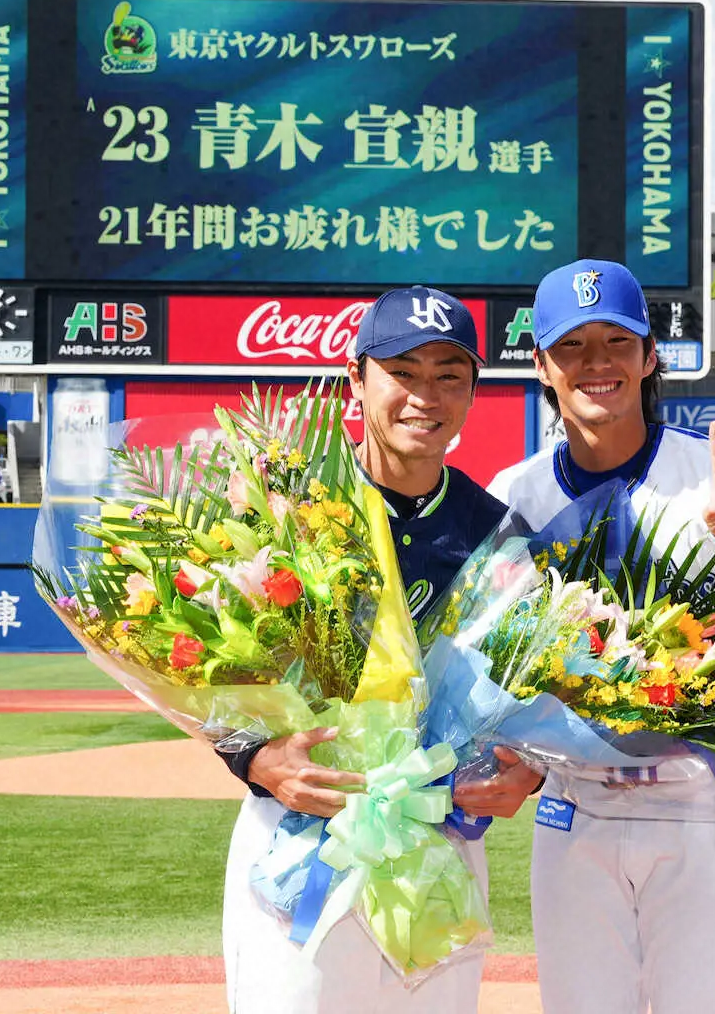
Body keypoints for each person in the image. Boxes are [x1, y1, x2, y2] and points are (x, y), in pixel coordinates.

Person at [488, 259, 715, 1014]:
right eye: (572, 346)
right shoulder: (512, 498)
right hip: (572, 813)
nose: (596, 363)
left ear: (650, 357)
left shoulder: (714, 478)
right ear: (542, 366)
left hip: (703, 813)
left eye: (615, 341)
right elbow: (491, 674)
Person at [216, 284, 521, 1014]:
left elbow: (526, 689)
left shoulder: (494, 531)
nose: (426, 394)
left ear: (473, 391)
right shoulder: (287, 504)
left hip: (435, 834)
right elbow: (210, 662)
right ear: (356, 380)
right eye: (403, 371)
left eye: (450, 374)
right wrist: (250, 756)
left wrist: (526, 773)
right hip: (299, 825)